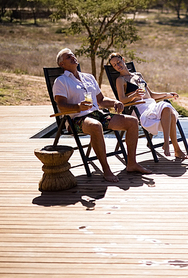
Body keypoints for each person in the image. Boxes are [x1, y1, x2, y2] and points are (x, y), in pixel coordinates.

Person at [53, 48, 152, 182]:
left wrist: (115, 102)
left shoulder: (88, 77)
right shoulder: (61, 81)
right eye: (69, 57)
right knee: (96, 126)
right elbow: (61, 105)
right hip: (77, 118)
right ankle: (106, 169)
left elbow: (100, 100)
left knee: (132, 122)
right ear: (62, 64)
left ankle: (132, 163)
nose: (73, 57)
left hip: (98, 114)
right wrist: (78, 107)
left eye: (73, 55)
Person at [108, 53, 188, 160]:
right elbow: (122, 100)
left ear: (123, 60)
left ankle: (169, 146)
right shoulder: (120, 80)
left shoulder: (138, 75)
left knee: (169, 111)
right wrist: (134, 95)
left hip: (151, 104)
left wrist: (167, 94)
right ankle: (174, 148)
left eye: (118, 62)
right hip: (139, 108)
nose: (118, 66)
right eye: (114, 65)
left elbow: (151, 95)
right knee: (167, 110)